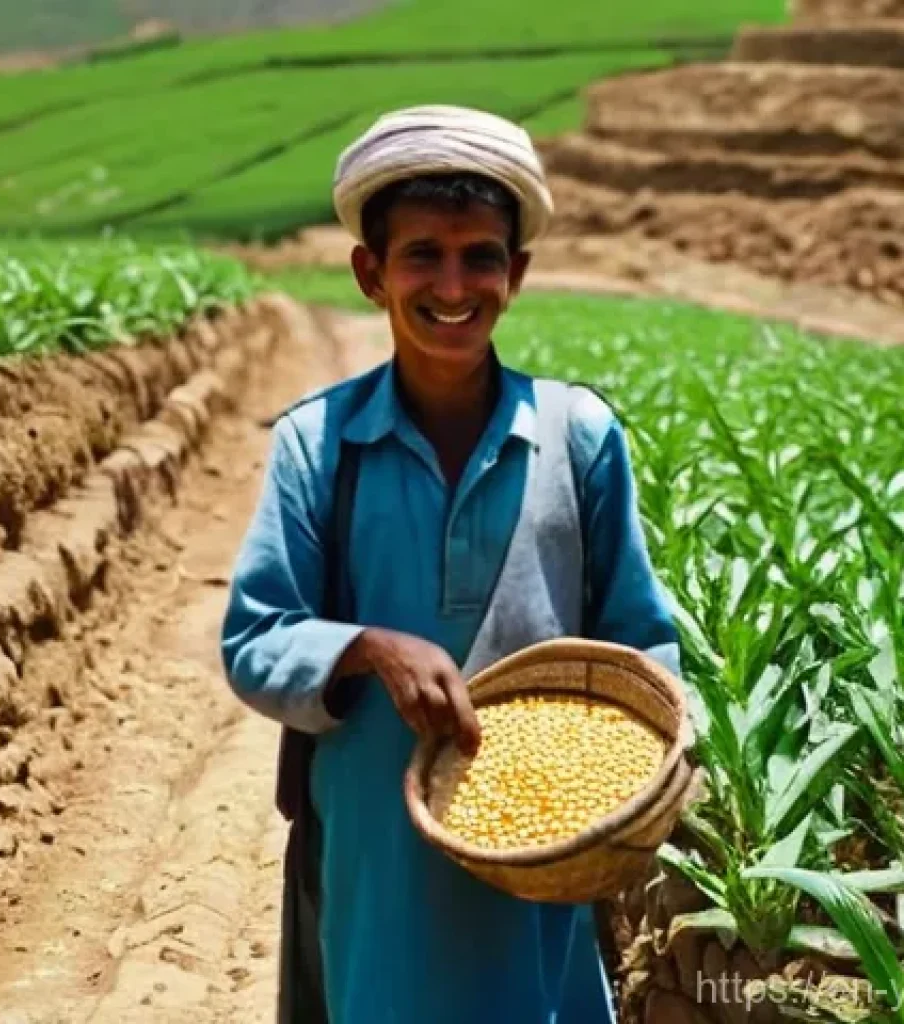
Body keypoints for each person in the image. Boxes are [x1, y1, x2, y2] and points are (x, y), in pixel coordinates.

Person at [221, 105, 682, 1024]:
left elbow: (641, 640)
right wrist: (366, 648)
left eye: (480, 256)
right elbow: (255, 639)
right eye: (422, 254)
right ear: (370, 272)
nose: (453, 283)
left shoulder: (576, 437)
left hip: (546, 846)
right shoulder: (322, 444)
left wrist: (649, 768)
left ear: (516, 274)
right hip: (377, 855)